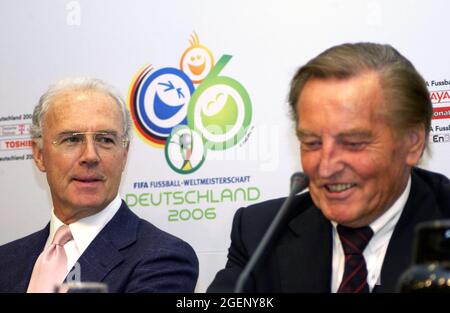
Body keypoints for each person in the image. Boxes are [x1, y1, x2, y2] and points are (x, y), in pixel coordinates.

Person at [207, 42, 450, 293]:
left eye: (353, 143)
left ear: (412, 142)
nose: (325, 167)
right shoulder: (261, 234)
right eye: (311, 143)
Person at [0, 77, 199, 292]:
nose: (90, 156)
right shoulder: (6, 261)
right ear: (39, 155)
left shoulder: (163, 259)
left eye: (105, 139)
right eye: (72, 139)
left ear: (124, 154)